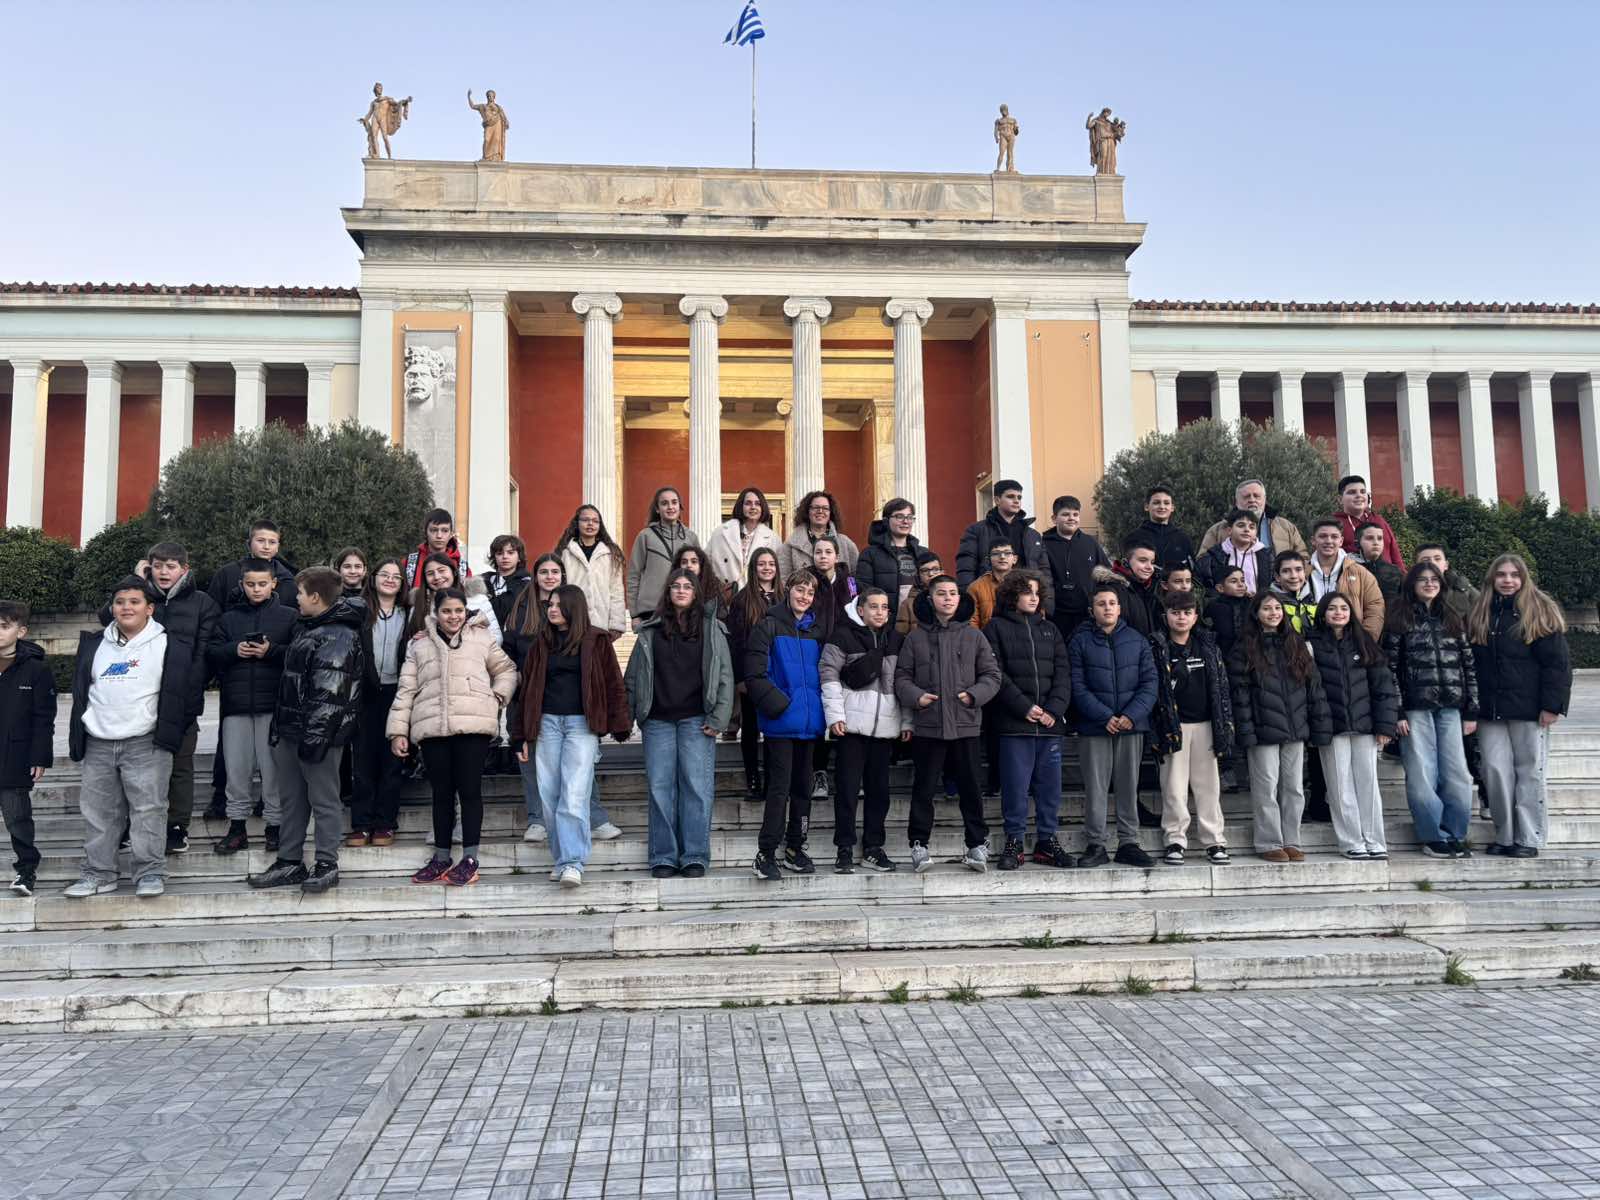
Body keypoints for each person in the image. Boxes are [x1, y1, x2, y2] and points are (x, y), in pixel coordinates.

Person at [64, 577, 192, 899]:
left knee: (149, 810)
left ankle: (149, 873)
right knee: (98, 812)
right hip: (99, 741)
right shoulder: (95, 644)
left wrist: (168, 734)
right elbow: (83, 691)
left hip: (145, 741)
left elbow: (181, 694)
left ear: (149, 609)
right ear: (112, 607)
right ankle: (98, 873)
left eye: (134, 602)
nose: (126, 608)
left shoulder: (168, 644)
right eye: (120, 602)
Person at [389, 587, 518, 887]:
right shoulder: (419, 645)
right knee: (441, 794)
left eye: (458, 610)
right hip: (433, 728)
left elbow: (507, 670)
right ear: (436, 612)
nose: (453, 617)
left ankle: (470, 858)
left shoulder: (481, 637)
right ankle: (441, 856)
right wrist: (398, 730)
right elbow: (406, 688)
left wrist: (495, 698)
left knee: (470, 791)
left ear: (466, 610)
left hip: (473, 727)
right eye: (447, 611)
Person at [247, 568, 365, 893]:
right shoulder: (311, 628)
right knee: (292, 800)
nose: (295, 598)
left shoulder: (338, 634)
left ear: (315, 597)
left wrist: (315, 739)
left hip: (318, 738)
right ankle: (289, 862)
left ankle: (326, 863)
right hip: (293, 732)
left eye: (299, 593)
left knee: (324, 800)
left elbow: (329, 695)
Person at [516, 585, 632, 888]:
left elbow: (612, 683)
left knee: (574, 793)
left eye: (557, 604)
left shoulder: (596, 640)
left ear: (573, 607)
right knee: (550, 795)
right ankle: (562, 856)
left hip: (581, 725)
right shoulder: (541, 642)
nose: (552, 609)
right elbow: (526, 689)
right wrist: (520, 735)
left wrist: (620, 723)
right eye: (549, 605)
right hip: (547, 724)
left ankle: (572, 862)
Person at [625, 569, 734, 879]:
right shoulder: (650, 631)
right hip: (658, 720)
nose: (682, 590)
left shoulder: (712, 629)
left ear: (696, 593)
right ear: (668, 592)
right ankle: (663, 855)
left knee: (696, 789)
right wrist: (629, 716)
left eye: (688, 586)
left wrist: (719, 719)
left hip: (696, 720)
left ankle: (695, 855)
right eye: (676, 586)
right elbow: (633, 677)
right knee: (660, 789)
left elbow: (725, 677)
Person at [505, 558, 622, 845]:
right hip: (539, 709)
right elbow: (511, 659)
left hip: (578, 717)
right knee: (546, 783)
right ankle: (542, 826)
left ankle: (575, 851)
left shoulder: (592, 635)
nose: (549, 576)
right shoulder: (524, 616)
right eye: (542, 571)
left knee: (575, 783)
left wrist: (617, 722)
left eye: (554, 571)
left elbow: (611, 681)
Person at [895, 576, 1002, 873]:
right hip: (928, 726)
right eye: (941, 593)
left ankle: (977, 845)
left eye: (953, 593)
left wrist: (973, 696)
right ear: (930, 599)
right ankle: (919, 844)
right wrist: (917, 697)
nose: (948, 598)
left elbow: (992, 676)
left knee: (970, 788)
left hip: (965, 724)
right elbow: (901, 677)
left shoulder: (974, 636)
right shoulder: (915, 638)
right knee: (924, 788)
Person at [1468, 555, 1571, 857]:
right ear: (1492, 579)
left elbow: (1557, 665)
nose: (1508, 580)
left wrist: (1552, 705)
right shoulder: (1480, 612)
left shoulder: (1540, 611)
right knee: (1495, 771)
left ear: (1524, 578)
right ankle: (1505, 834)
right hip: (1491, 710)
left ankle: (1528, 837)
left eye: (1514, 575)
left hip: (1530, 710)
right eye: (1501, 574)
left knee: (1530, 773)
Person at [1383, 562, 1479, 858]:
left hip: (1451, 707)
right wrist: (1397, 711)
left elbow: (1468, 665)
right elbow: (1390, 668)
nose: (1428, 584)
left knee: (1457, 774)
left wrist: (1472, 709)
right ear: (1412, 584)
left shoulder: (1452, 617)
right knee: (1423, 774)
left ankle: (1455, 833)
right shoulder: (1399, 618)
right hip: (1415, 708)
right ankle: (1432, 835)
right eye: (1422, 580)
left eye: (1433, 579)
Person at [1228, 590, 1331, 863]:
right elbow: (1239, 694)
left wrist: (1317, 725)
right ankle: (1268, 841)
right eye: (1267, 609)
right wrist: (1246, 731)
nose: (1273, 613)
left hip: (1295, 727)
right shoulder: (1244, 648)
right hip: (1262, 729)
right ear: (1256, 613)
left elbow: (1314, 687)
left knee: (1294, 788)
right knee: (1266, 787)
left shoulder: (1296, 644)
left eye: (1277, 608)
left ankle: (1291, 840)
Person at [205, 559, 298, 856]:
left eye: (262, 584)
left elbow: (299, 656)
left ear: (273, 584)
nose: (256, 589)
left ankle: (275, 827)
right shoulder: (228, 619)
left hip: (274, 705)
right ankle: (237, 828)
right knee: (237, 770)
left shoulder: (289, 617)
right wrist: (235, 650)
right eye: (250, 584)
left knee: (274, 771)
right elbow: (212, 654)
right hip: (237, 706)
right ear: (242, 585)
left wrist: (271, 652)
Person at [983, 571, 1072, 871]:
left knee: (1050, 788)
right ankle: (1014, 842)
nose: (1033, 597)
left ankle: (1047, 841)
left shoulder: (1051, 630)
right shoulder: (994, 628)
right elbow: (996, 673)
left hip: (1049, 726)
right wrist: (1024, 708)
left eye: (1036, 592)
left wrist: (1053, 709)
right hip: (1014, 725)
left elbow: (1063, 674)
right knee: (1015, 787)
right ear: (1012, 595)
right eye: (1026, 591)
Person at [133, 542, 218, 854]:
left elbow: (205, 655)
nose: (164, 572)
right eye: (158, 566)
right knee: (139, 765)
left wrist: (187, 692)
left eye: (171, 566)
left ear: (185, 568)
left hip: (183, 698)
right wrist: (138, 584)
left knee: (180, 765)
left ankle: (177, 826)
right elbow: (108, 618)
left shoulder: (203, 603)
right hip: (140, 698)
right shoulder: (140, 598)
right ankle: (136, 823)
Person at [820, 587, 911, 874]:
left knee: (879, 791)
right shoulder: (842, 636)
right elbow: (828, 675)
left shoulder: (896, 640)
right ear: (861, 609)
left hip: (885, 729)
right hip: (851, 728)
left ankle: (873, 847)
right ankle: (844, 848)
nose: (880, 612)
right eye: (874, 607)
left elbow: (903, 683)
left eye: (885, 607)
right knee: (846, 790)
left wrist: (906, 721)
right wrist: (835, 716)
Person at [1069, 582, 1158, 867]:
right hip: (1095, 727)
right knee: (1096, 787)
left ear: (1120, 608)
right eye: (1101, 604)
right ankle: (1096, 844)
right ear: (1092, 610)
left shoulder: (1137, 640)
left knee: (1128, 785)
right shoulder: (1080, 641)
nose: (1107, 608)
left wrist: (1131, 716)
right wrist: (1103, 716)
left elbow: (1150, 683)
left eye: (1111, 603)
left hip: (1132, 725)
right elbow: (1076, 684)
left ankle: (1129, 842)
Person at [746, 572, 828, 879]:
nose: (804, 596)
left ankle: (796, 846)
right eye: (800, 589)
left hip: (809, 726)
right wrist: (782, 706)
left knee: (803, 790)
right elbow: (755, 675)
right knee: (779, 789)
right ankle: (765, 853)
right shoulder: (767, 626)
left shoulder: (814, 632)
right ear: (788, 590)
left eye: (810, 592)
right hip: (782, 724)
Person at [1309, 591, 1399, 860]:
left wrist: (1385, 726)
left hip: (1365, 725)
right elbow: (1310, 691)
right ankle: (1351, 841)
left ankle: (1374, 839)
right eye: (1332, 608)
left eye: (1344, 608)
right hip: (1332, 727)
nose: (1338, 612)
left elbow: (1383, 688)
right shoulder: (1312, 646)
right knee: (1339, 787)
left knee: (1368, 785)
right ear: (1323, 614)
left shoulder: (1365, 643)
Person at [1150, 592, 1234, 866]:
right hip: (1174, 727)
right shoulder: (1158, 646)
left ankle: (1214, 840)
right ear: (1166, 616)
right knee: (1173, 787)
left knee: (1208, 786)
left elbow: (1221, 687)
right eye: (1175, 612)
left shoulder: (1207, 646)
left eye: (1187, 612)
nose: (1181, 617)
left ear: (1196, 616)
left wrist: (1224, 725)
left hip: (1207, 725)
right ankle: (1175, 839)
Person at [348, 557, 409, 849]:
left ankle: (385, 822)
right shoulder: (359, 611)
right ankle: (361, 824)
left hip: (397, 694)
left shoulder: (408, 613)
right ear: (373, 579)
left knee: (392, 762)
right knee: (363, 761)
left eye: (396, 577)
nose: (389, 580)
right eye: (384, 575)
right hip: (365, 694)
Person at [0, 601, 55, 898]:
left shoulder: (36, 670)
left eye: (4, 626)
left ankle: (26, 869)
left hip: (15, 758)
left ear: (21, 631)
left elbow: (43, 718)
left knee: (18, 818)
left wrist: (39, 756)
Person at [727, 548, 781, 802]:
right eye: (762, 564)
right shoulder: (741, 600)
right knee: (750, 728)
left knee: (774, 730)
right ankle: (753, 780)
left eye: (771, 564)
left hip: (778, 674)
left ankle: (773, 781)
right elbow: (736, 643)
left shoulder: (784, 596)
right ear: (753, 567)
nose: (767, 568)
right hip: (751, 675)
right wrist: (740, 678)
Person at [1040, 494, 1110, 643]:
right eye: (1065, 514)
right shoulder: (1043, 545)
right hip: (1056, 615)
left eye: (1075, 514)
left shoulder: (1091, 543)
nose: (1071, 518)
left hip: (1087, 614)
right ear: (1054, 519)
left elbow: (1106, 574)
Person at [956, 479, 1046, 589]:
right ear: (997, 500)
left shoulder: (1033, 535)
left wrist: (1046, 602)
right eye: (1010, 496)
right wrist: (969, 599)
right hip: (990, 595)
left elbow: (1044, 571)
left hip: (1026, 596)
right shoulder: (976, 531)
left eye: (1019, 497)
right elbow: (966, 568)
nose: (1016, 501)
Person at [628, 487, 698, 625]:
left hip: (684, 609)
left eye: (674, 502)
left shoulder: (691, 537)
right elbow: (633, 576)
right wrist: (634, 614)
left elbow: (699, 574)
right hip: (651, 609)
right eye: (664, 503)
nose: (670, 507)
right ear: (657, 509)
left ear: (680, 506)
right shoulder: (645, 536)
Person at [1306, 518, 1385, 640]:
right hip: (1310, 643)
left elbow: (1375, 607)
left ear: (1341, 541)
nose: (1328, 541)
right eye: (1322, 536)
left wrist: (1365, 642)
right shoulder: (1301, 572)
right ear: (1313, 540)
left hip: (1350, 645)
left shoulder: (1360, 572)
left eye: (1334, 537)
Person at [557, 505, 629, 639]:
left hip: (601, 624)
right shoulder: (565, 552)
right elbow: (559, 589)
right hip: (572, 621)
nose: (590, 524)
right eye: (585, 520)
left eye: (595, 521)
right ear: (577, 523)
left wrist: (616, 625)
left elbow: (616, 590)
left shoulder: (610, 553)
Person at [1197, 479, 1309, 559]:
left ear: (1264, 499)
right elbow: (1202, 560)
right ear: (1236, 502)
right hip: (1234, 590)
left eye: (1256, 496)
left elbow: (1303, 557)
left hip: (1278, 589)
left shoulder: (1286, 527)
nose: (1252, 500)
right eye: (1246, 497)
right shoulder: (1218, 529)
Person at [406, 553, 501, 645]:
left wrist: (439, 636)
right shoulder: (419, 605)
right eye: (430, 573)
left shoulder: (478, 600)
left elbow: (496, 639)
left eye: (441, 570)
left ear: (454, 572)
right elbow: (410, 645)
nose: (437, 577)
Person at [706, 487, 782, 596]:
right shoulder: (721, 533)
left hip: (757, 599)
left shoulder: (773, 538)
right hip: (726, 597)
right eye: (748, 503)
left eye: (757, 504)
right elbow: (707, 564)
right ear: (741, 506)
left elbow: (778, 573)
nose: (753, 507)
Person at [207, 519, 297, 610]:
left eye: (272, 542)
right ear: (249, 543)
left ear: (278, 547)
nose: (266, 547)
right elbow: (212, 611)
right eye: (260, 540)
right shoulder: (226, 574)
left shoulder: (287, 579)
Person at [853, 498, 923, 610]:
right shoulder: (870, 554)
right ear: (886, 520)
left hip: (918, 620)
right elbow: (864, 591)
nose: (905, 521)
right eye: (899, 516)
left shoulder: (922, 553)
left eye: (909, 517)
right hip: (884, 620)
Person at [782, 490, 861, 579]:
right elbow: (783, 579)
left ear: (831, 513)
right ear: (807, 511)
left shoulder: (846, 544)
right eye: (815, 507)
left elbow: (857, 577)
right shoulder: (790, 546)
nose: (820, 511)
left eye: (825, 508)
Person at [1333, 475, 1404, 569]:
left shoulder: (1379, 520)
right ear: (1340, 499)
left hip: (1387, 579)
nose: (1359, 496)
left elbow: (1394, 552)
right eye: (1352, 492)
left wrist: (1402, 576)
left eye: (1363, 492)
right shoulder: (1334, 524)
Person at [1197, 509, 1272, 595]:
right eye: (1241, 525)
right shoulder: (1214, 556)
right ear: (1229, 530)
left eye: (1252, 527)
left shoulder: (1266, 556)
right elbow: (1203, 587)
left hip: (1257, 605)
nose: (1247, 530)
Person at [405, 508, 470, 589]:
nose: (439, 535)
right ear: (425, 532)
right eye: (434, 530)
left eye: (445, 530)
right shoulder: (409, 563)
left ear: (451, 534)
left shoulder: (462, 567)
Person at [1108, 537, 1161, 636]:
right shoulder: (1113, 591)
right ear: (1125, 562)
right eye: (1143, 560)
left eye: (1152, 562)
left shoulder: (1149, 587)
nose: (1150, 567)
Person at [1415, 544, 1479, 623]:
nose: (1432, 563)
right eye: (1426, 560)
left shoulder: (1466, 592)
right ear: (1416, 566)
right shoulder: (1405, 591)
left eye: (1437, 559)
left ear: (1446, 565)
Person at [1138, 485, 1195, 572]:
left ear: (1172, 508)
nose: (1162, 507)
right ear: (1146, 506)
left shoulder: (1183, 539)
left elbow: (1193, 571)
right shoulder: (1135, 538)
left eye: (1166, 503)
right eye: (1156, 503)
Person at [484, 534, 531, 632]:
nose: (505, 557)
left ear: (519, 557)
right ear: (494, 557)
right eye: (500, 553)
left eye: (510, 553)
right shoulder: (483, 581)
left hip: (515, 637)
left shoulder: (527, 583)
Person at [966, 541, 1017, 630]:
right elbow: (972, 623)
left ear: (1015, 559)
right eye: (996, 553)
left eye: (1007, 553)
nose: (1002, 557)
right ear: (989, 559)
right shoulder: (976, 587)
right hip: (987, 640)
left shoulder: (1026, 584)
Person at [1204, 565, 1251, 660]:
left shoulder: (1251, 604)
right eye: (1234, 581)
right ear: (1220, 588)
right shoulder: (1215, 607)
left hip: (1249, 657)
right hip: (1223, 658)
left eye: (1242, 580)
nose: (1241, 584)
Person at [1267, 551, 1318, 636]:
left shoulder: (1312, 600)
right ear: (1277, 577)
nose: (1293, 576)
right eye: (1286, 571)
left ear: (1304, 572)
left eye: (1298, 570)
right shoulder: (1270, 604)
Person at [1355, 521, 1405, 606]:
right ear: (1357, 543)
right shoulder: (1350, 570)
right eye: (1370, 538)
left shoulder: (1394, 571)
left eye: (1380, 538)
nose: (1376, 542)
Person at [671, 544, 727, 618]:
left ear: (701, 565)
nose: (689, 565)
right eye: (684, 562)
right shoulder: (673, 587)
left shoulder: (712, 586)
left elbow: (721, 615)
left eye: (694, 562)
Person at [896, 550, 945, 635]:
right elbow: (900, 637)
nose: (931, 574)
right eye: (925, 570)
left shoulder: (952, 599)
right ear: (918, 575)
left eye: (935, 569)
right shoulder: (908, 604)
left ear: (942, 572)